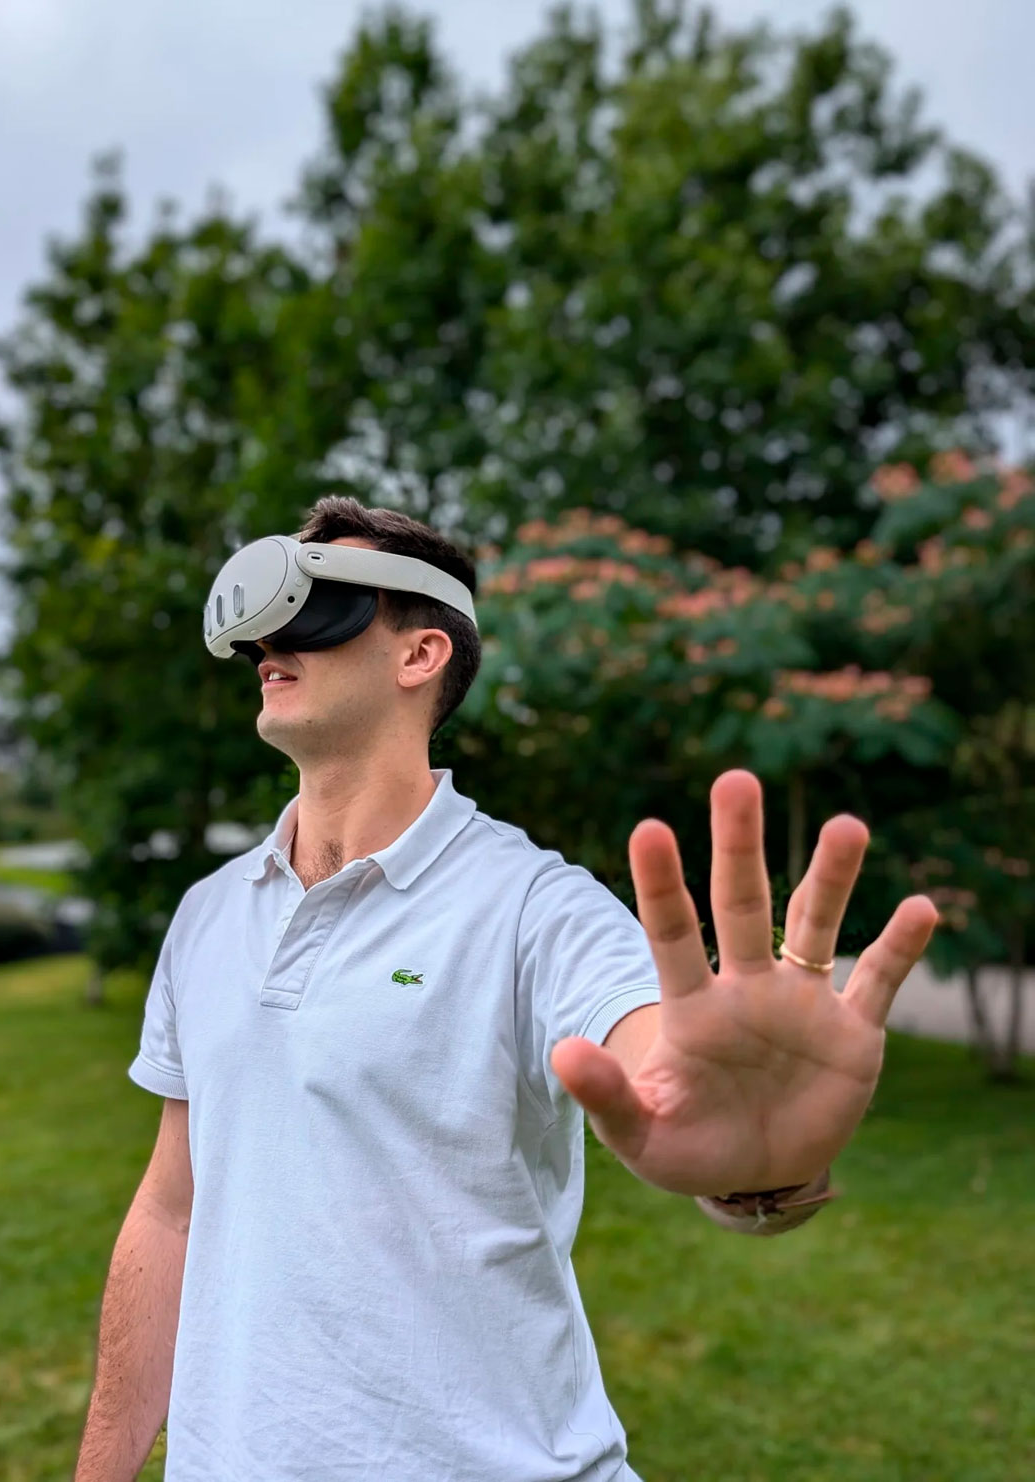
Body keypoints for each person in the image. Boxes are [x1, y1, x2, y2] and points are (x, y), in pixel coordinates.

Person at [73, 496, 938, 1482]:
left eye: (319, 602)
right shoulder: (208, 916)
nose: (271, 634)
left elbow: (649, 1047)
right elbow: (171, 1210)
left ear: (420, 654)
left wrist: (759, 1167)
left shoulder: (536, 908)